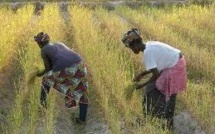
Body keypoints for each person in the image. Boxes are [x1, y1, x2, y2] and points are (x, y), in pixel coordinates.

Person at [121, 28, 187, 129]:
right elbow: (155, 66)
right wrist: (141, 74)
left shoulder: (147, 53)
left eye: (131, 48)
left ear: (135, 45)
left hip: (175, 66)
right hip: (175, 62)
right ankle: (153, 118)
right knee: (153, 89)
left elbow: (155, 74)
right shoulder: (148, 45)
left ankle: (168, 122)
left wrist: (142, 84)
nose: (132, 50)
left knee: (161, 90)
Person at [34, 32, 88, 124]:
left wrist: (38, 74)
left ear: (40, 43)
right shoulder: (59, 43)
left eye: (38, 43)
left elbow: (48, 69)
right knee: (82, 92)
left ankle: (42, 106)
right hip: (80, 64)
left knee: (46, 80)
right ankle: (82, 119)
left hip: (66, 68)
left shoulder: (44, 50)